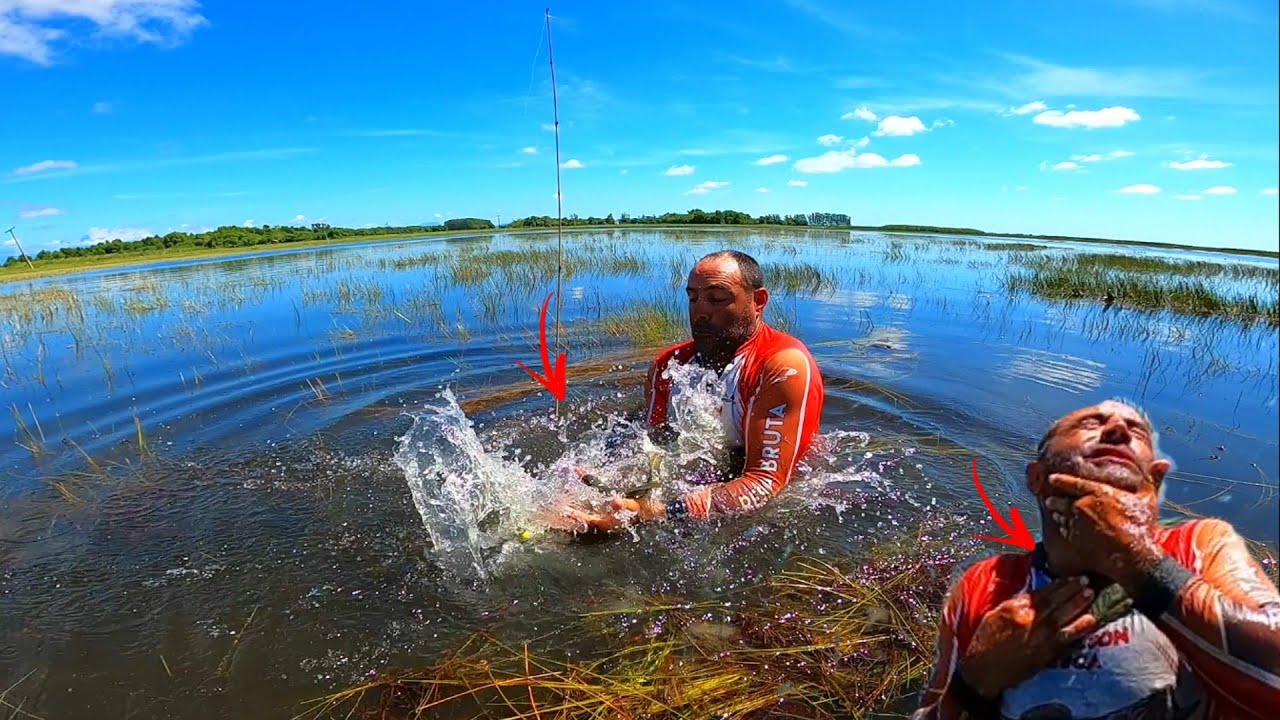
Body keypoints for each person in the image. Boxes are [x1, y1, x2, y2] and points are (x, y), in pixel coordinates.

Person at [914, 399, 1280, 720]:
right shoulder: (985, 586)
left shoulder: (1198, 547)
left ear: (1153, 484)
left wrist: (1137, 561)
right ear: (1038, 478)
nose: (1119, 428)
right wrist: (975, 680)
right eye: (1090, 424)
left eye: (1136, 432)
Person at [565, 249, 825, 532]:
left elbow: (766, 483)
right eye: (693, 298)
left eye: (717, 299)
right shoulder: (670, 365)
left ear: (758, 301)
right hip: (703, 478)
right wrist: (594, 486)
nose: (700, 312)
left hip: (774, 497)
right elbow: (652, 448)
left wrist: (652, 513)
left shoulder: (782, 366)